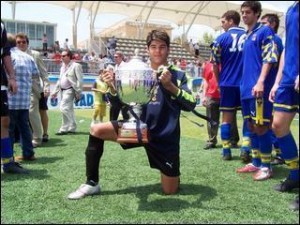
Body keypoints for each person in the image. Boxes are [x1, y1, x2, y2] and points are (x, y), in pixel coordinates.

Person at [67, 29, 196, 200]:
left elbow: (191, 104)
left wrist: (170, 86)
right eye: (154, 47)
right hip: (137, 131)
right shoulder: (135, 71)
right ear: (147, 49)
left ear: (168, 49)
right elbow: (118, 102)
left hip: (165, 139)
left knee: (170, 191)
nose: (158, 51)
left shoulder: (178, 75)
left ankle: (173, 176)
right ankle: (92, 183)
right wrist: (113, 86)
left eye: (162, 47)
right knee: (96, 130)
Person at [236, 1, 279, 181]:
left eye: (248, 12)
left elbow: (270, 58)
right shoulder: (247, 35)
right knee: (251, 126)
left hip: (258, 89)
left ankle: (266, 166)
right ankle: (255, 161)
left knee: (261, 126)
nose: (244, 15)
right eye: (242, 12)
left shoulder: (265, 32)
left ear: (257, 14)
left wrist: (261, 82)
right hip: (245, 89)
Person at [269, 1, 299, 211]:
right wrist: (278, 80)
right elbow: (289, 47)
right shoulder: (292, 9)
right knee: (278, 125)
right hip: (288, 77)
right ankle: (296, 174)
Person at [210, 10, 248, 160]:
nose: (222, 25)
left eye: (223, 22)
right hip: (246, 83)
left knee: (226, 118)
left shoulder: (220, 39)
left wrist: (220, 82)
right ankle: (246, 148)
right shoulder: (250, 36)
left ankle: (226, 151)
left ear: (231, 21)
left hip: (227, 83)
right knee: (247, 118)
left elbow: (214, 65)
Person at [1, 21, 29, 174]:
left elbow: (5, 53)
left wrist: (12, 77)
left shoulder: (1, 26)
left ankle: (7, 163)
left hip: (1, 83)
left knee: (4, 121)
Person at [7, 33, 40, 162]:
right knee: (24, 127)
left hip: (10, 99)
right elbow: (35, 75)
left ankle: (7, 156)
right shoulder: (28, 57)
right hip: (25, 99)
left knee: (8, 129)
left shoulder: (8, 57)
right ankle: (28, 153)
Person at [15, 32, 50, 147]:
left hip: (33, 88)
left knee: (32, 111)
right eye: (18, 42)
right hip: (16, 89)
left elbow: (44, 73)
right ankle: (20, 137)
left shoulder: (35, 54)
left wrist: (46, 87)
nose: (21, 44)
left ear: (27, 43)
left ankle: (37, 138)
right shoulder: (12, 54)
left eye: (23, 42)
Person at [260, 13, 285, 166]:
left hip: (270, 86)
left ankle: (279, 153)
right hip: (271, 85)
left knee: (269, 122)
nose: (261, 26)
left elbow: (271, 63)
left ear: (272, 24)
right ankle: (278, 152)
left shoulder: (274, 40)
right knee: (268, 122)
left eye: (264, 23)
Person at [51, 50, 83, 135]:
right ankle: (68, 128)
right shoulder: (62, 67)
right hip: (62, 90)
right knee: (69, 109)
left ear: (69, 56)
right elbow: (60, 80)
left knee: (63, 107)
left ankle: (70, 125)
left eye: (64, 56)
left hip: (70, 90)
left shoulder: (76, 66)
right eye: (61, 56)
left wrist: (79, 92)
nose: (62, 57)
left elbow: (80, 80)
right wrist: (54, 92)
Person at [201, 60, 220, 150]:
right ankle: (212, 140)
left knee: (230, 119)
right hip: (211, 95)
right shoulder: (208, 65)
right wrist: (204, 96)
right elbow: (206, 80)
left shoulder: (228, 61)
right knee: (211, 119)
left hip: (226, 94)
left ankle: (233, 140)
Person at [109, 51, 129, 121]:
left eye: (116, 57)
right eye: (114, 57)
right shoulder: (116, 66)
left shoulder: (126, 66)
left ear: (121, 57)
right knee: (114, 109)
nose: (114, 58)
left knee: (125, 111)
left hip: (124, 91)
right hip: (117, 91)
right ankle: (112, 124)